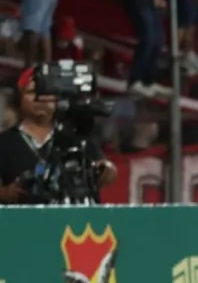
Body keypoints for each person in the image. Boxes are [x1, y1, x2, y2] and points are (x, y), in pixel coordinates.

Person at [0, 67, 116, 204]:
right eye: (32, 92)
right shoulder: (4, 142)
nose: (41, 98)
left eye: (46, 92)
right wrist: (6, 194)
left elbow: (104, 168)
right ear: (19, 99)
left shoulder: (75, 139)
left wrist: (107, 170)